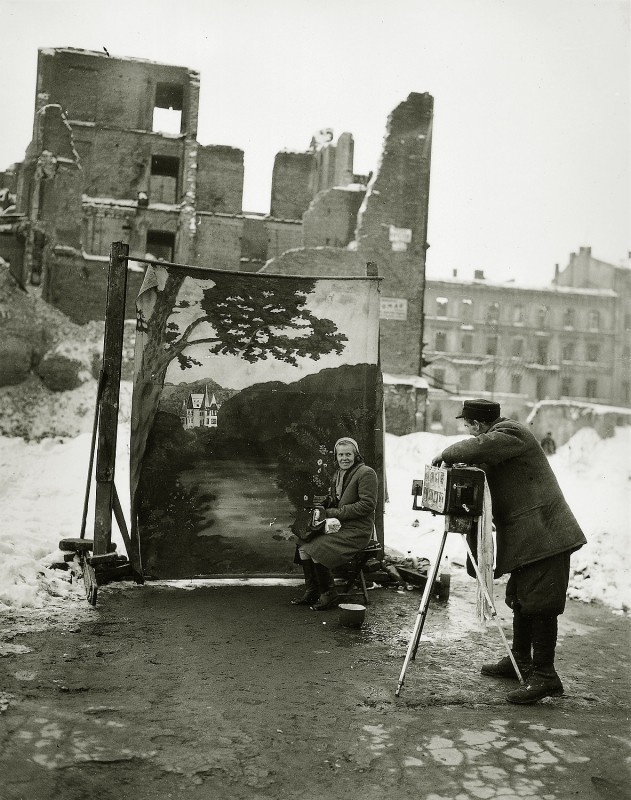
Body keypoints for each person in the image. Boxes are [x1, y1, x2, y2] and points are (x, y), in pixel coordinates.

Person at [431, 399, 586, 705]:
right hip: (530, 538)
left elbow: (479, 447)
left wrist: (446, 454)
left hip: (547, 536)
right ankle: (520, 660)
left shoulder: (512, 433)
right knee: (520, 599)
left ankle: (545, 676)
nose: (469, 432)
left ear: (477, 425)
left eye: (468, 426)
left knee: (540, 603)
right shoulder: (499, 445)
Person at [291, 437, 378, 611]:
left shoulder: (366, 473)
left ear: (356, 455)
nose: (344, 458)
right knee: (302, 543)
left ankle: (329, 595)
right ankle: (313, 590)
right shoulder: (338, 473)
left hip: (357, 530)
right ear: (336, 457)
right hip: (340, 525)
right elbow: (335, 499)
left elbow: (368, 505)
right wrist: (322, 506)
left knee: (317, 547)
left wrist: (335, 513)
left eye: (348, 454)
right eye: (341, 455)